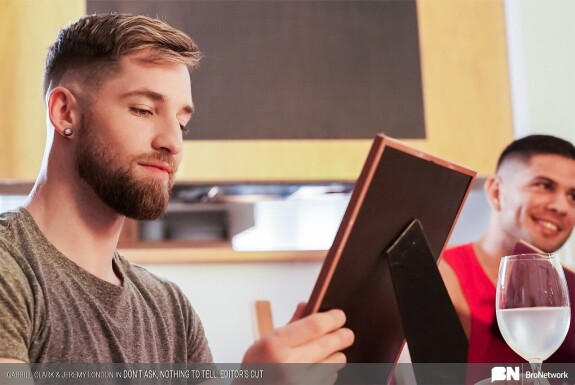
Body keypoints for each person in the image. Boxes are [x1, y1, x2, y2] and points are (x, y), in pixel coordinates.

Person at [0, 13, 354, 374]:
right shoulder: (10, 270)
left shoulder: (171, 311)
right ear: (65, 113)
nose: (172, 141)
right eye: (143, 110)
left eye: (182, 123)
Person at [439, 134, 575, 363]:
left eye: (573, 196)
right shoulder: (438, 275)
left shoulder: (569, 291)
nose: (561, 206)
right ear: (495, 191)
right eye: (543, 185)